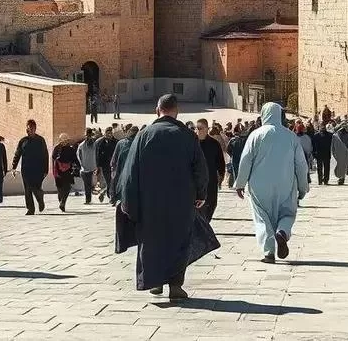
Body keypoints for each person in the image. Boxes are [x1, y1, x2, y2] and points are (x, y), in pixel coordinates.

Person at [115, 94, 217, 300]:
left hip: (150, 201)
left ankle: (155, 282)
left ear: (157, 110)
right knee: (179, 241)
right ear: (177, 111)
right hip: (181, 200)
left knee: (152, 241)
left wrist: (127, 200)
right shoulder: (187, 135)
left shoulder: (143, 135)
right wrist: (201, 193)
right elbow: (200, 169)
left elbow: (130, 171)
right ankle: (175, 285)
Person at [234, 102, 310, 263]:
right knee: (287, 213)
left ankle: (269, 252)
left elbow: (246, 160)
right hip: (285, 184)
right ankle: (282, 232)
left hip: (259, 185)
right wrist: (303, 187)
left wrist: (240, 183)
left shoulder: (255, 135)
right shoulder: (291, 136)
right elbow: (301, 165)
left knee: (262, 217)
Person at [11, 120, 49, 215]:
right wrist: (14, 167)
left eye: (32, 128)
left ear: (35, 129)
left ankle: (40, 199)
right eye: (28, 128)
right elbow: (17, 154)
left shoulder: (40, 140)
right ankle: (30, 209)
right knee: (27, 189)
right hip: (26, 169)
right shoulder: (23, 141)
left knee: (36, 187)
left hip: (38, 169)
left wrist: (46, 169)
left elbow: (45, 155)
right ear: (26, 129)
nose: (30, 130)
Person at [195, 119, 226, 222]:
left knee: (211, 205)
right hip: (196, 182)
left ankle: (205, 225)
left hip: (211, 181)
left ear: (207, 129)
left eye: (200, 128)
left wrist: (221, 175)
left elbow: (220, 162)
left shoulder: (214, 144)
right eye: (196, 128)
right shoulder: (192, 143)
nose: (198, 131)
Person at [51, 134, 79, 211]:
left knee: (65, 188)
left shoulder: (67, 149)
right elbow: (75, 159)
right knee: (63, 188)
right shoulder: (58, 148)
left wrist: (78, 166)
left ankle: (62, 202)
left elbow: (75, 159)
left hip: (62, 171)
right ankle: (62, 202)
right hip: (62, 171)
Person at [95, 127, 118, 204]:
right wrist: (98, 166)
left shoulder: (116, 142)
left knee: (113, 182)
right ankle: (110, 196)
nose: (109, 135)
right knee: (109, 182)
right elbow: (98, 155)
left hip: (114, 166)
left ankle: (106, 194)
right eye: (108, 133)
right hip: (105, 166)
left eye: (110, 133)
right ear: (105, 134)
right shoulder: (101, 143)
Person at [76, 129, 98, 204]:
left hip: (89, 168)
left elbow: (78, 156)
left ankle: (88, 199)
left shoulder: (93, 145)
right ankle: (88, 198)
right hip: (86, 168)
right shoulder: (82, 145)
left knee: (87, 184)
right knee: (88, 184)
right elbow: (78, 155)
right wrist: (81, 164)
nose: (88, 137)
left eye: (89, 135)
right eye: (87, 136)